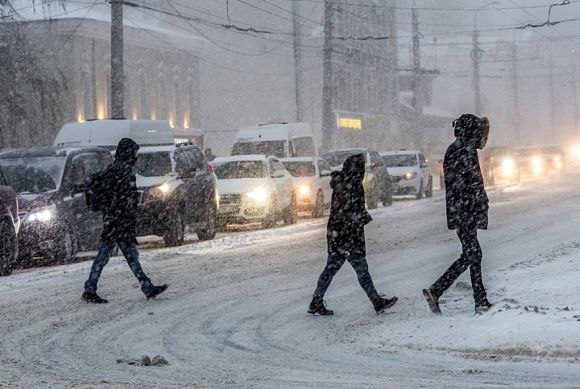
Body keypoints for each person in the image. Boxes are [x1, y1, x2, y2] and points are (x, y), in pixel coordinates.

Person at [308, 154, 398, 315]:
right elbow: (350, 211)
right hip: (348, 235)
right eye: (361, 168)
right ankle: (376, 301)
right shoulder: (352, 185)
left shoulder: (343, 182)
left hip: (338, 234)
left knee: (331, 269)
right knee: (361, 269)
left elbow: (346, 210)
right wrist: (361, 217)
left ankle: (316, 301)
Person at [82, 138, 168, 304]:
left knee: (123, 256)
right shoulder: (123, 172)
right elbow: (124, 200)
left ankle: (146, 286)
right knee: (109, 256)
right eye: (134, 152)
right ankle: (90, 288)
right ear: (128, 153)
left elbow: (116, 198)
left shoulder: (115, 169)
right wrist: (127, 216)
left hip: (114, 221)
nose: (136, 156)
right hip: (119, 223)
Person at [423, 114, 492, 314]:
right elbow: (471, 183)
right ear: (471, 131)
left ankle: (479, 298)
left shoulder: (457, 149)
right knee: (472, 254)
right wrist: (478, 204)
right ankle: (439, 290)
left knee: (472, 254)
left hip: (461, 210)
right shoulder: (464, 150)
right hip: (465, 211)